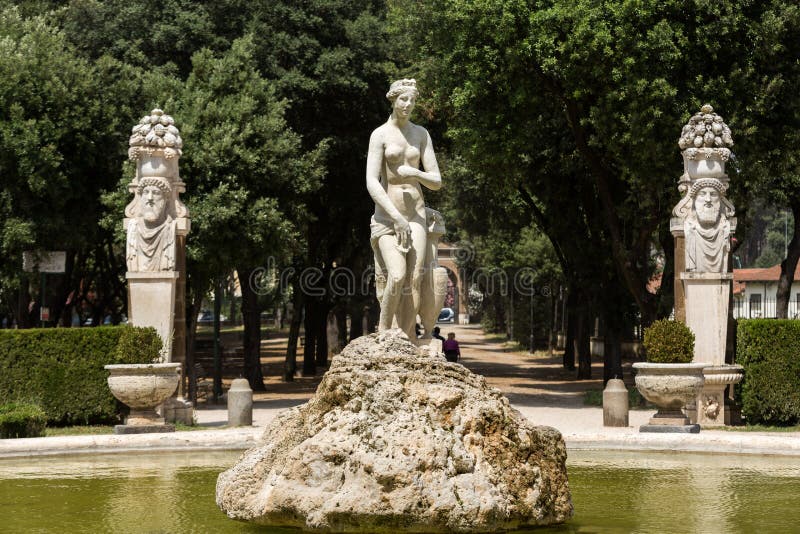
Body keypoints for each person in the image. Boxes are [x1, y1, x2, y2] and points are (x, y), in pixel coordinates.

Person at [367, 79, 443, 340]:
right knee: (397, 275)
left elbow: (436, 181)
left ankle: (408, 339)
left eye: (412, 100)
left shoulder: (421, 134)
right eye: (404, 99)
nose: (408, 105)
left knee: (415, 279)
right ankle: (384, 331)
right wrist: (396, 217)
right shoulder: (380, 135)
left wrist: (413, 172)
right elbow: (371, 181)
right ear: (393, 99)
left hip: (416, 215)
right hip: (388, 217)